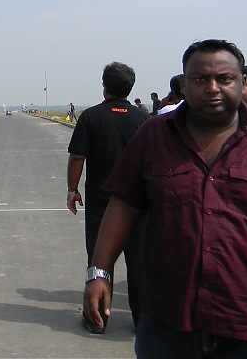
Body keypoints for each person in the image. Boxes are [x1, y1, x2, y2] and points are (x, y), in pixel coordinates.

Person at [83, 40, 247, 358]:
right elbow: (124, 205)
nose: (212, 88)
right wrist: (99, 273)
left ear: (242, 83)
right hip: (168, 323)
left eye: (224, 79)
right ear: (184, 84)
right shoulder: (153, 136)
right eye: (200, 79)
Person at [67, 62, 150, 333]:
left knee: (99, 258)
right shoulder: (143, 118)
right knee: (138, 261)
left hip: (102, 201)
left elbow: (78, 156)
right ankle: (141, 319)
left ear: (104, 86)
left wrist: (72, 189)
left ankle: (98, 318)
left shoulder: (91, 117)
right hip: (138, 202)